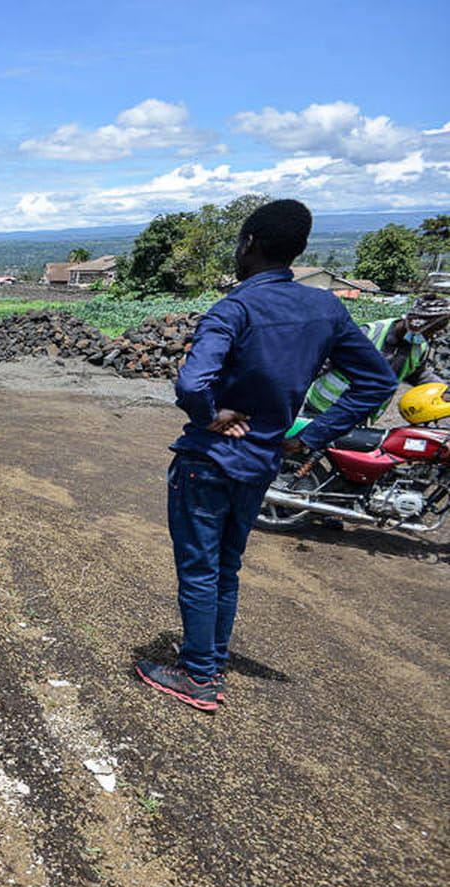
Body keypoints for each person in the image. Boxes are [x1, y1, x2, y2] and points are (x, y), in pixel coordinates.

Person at [137, 199, 396, 713]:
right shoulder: (324, 309)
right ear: (297, 251)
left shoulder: (235, 308)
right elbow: (377, 381)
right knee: (226, 566)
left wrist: (210, 412)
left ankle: (198, 674)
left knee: (199, 567)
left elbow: (192, 382)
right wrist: (312, 436)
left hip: (209, 460)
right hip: (261, 462)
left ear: (249, 243)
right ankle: (211, 656)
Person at [302, 293, 448, 420]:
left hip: (359, 415)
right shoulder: (368, 334)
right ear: (418, 324)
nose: (431, 337)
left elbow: (418, 373)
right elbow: (321, 363)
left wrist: (444, 389)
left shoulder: (419, 347)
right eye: (430, 331)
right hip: (322, 409)